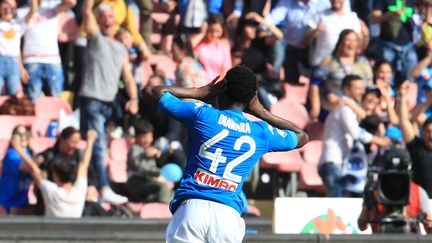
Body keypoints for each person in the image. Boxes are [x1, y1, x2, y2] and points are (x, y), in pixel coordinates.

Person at [141, 65, 309, 242]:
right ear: (251, 99)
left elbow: (150, 92)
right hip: (228, 218)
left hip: (192, 211)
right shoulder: (261, 132)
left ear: (222, 90)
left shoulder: (202, 115)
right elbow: (302, 136)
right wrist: (261, 111)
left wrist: (198, 92)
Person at [79, 0, 139, 205]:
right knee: (97, 145)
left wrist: (133, 98)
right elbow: (87, 13)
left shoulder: (121, 48)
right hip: (92, 97)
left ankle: (91, 186)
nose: (107, 20)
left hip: (107, 103)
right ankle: (103, 187)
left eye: (110, 17)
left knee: (94, 145)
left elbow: (128, 77)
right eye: (103, 17)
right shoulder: (96, 38)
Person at [318, 75, 391, 197]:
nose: (362, 92)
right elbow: (356, 133)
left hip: (340, 163)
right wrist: (380, 141)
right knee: (337, 207)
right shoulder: (344, 108)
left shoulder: (350, 107)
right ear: (346, 89)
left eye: (362, 88)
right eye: (358, 88)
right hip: (333, 162)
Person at [11, 129, 97, 218]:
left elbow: (34, 169)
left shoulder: (52, 191)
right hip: (74, 231)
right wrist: (90, 141)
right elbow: (84, 165)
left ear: (55, 176)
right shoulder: (79, 192)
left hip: (51, 231)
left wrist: (18, 149)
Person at [357, 146, 432, 233]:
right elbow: (362, 225)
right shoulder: (373, 192)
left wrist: (429, 222)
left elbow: (429, 229)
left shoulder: (418, 192)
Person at [125, 120, 182, 204]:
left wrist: (165, 154)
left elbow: (159, 162)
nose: (148, 140)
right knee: (162, 187)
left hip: (148, 180)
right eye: (144, 137)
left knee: (170, 191)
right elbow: (138, 166)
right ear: (136, 137)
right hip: (135, 182)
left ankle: (154, 201)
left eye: (150, 137)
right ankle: (163, 208)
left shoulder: (149, 149)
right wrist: (158, 172)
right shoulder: (135, 149)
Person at [397, 81, 432, 197]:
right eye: (428, 131)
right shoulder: (417, 147)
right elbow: (404, 121)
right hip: (421, 204)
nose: (430, 135)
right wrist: (402, 97)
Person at [0, 0, 35, 95]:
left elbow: (33, 10)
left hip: (13, 63)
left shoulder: (18, 25)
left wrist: (21, 68)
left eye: (11, 7)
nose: (8, 9)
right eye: (5, 6)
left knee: (13, 97)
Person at [0, 125, 34, 215]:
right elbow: (26, 167)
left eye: (25, 133)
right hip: (7, 205)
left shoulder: (29, 153)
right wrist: (18, 148)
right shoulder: (11, 154)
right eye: (19, 134)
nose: (23, 136)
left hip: (22, 203)